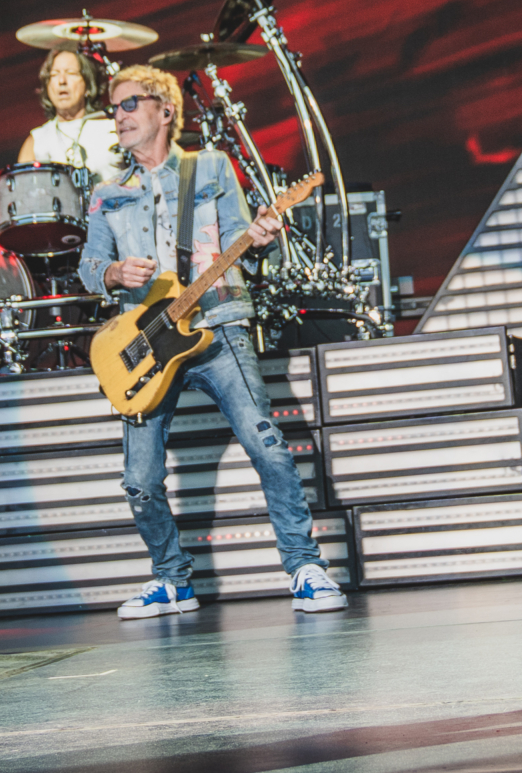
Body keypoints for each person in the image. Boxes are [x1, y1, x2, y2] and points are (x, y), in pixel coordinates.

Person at [77, 63, 347, 617]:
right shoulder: (108, 193)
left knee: (266, 443)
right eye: (115, 108)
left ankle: (304, 567)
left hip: (218, 321)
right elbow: (88, 266)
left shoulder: (212, 166)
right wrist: (112, 275)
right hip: (147, 343)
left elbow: (248, 241)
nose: (119, 116)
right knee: (139, 479)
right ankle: (172, 580)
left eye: (130, 104)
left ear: (165, 109)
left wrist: (263, 238)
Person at [18, 46, 124, 186]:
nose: (62, 81)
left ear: (87, 85)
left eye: (71, 73)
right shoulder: (36, 141)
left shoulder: (114, 128)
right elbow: (22, 195)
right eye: (54, 74)